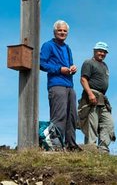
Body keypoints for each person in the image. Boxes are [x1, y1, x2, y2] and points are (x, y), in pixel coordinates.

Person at [39, 20, 80, 150]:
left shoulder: (67, 48)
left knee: (72, 116)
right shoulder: (48, 45)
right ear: (54, 32)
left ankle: (71, 145)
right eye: (60, 30)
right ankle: (55, 145)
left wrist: (72, 68)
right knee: (59, 116)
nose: (62, 33)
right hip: (56, 84)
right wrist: (59, 69)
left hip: (69, 85)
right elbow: (41, 63)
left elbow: (68, 65)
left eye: (65, 31)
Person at [78, 41, 115, 153]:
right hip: (92, 96)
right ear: (94, 51)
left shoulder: (104, 66)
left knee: (108, 123)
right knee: (92, 123)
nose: (102, 53)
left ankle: (103, 149)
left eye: (104, 52)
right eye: (100, 51)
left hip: (102, 98)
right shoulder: (89, 63)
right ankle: (91, 148)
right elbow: (83, 79)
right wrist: (90, 94)